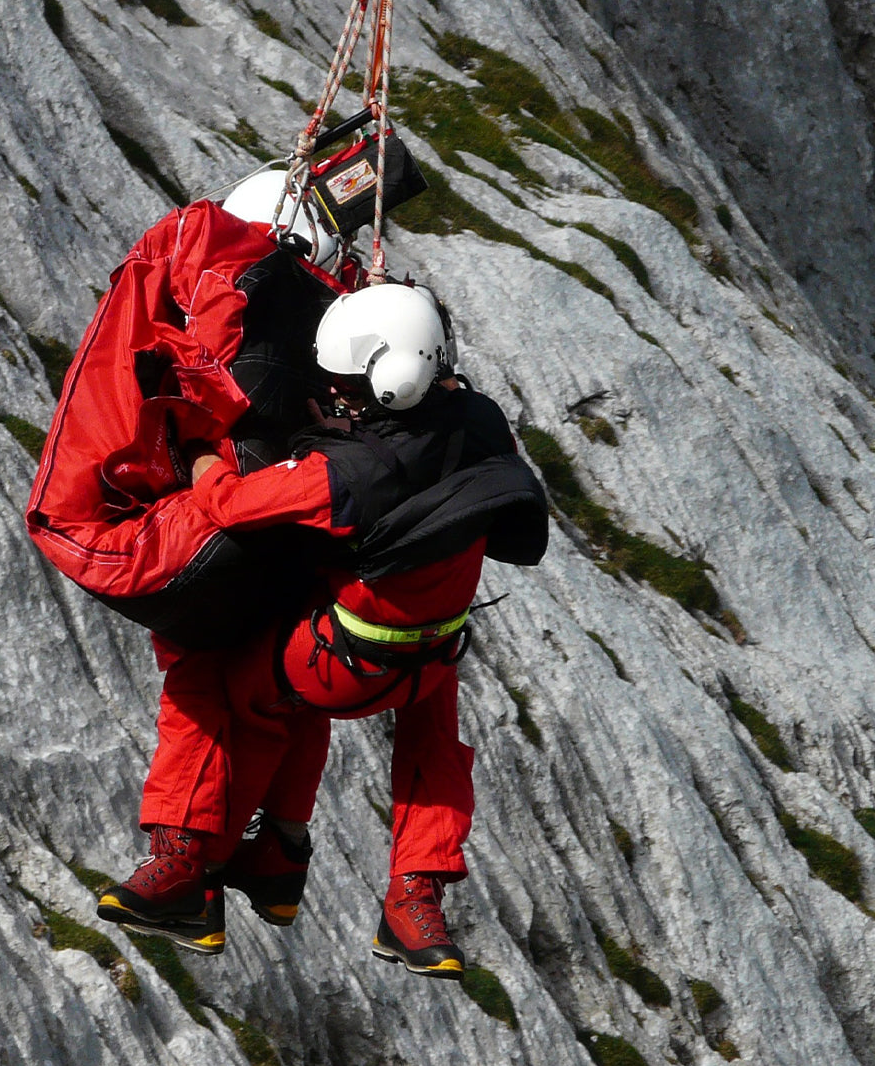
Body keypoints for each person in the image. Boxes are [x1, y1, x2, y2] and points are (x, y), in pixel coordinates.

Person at [98, 283, 548, 976]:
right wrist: (340, 422)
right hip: (432, 658)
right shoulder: (479, 419)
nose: (337, 396)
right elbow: (408, 446)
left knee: (216, 679)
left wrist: (199, 443)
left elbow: (227, 503)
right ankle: (410, 900)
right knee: (431, 746)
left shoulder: (346, 477)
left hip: (339, 667)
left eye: (347, 387)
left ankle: (189, 869)